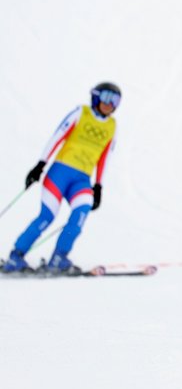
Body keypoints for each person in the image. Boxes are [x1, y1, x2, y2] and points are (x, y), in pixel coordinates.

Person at [2, 82, 121, 275]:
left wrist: (98, 186)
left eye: (116, 101)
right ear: (97, 97)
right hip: (59, 174)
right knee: (47, 216)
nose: (110, 104)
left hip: (82, 180)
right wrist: (40, 164)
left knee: (80, 214)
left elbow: (105, 157)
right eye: (107, 98)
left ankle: (59, 258)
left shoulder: (112, 127)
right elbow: (56, 136)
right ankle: (16, 257)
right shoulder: (80, 113)